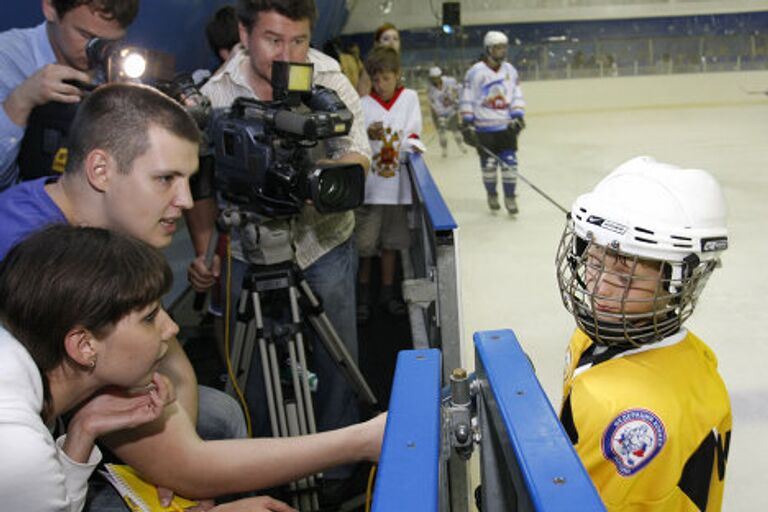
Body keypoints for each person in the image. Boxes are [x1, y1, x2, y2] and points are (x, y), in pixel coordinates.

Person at [0, 83, 385, 507]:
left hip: (54, 431)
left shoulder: (104, 223)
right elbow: (189, 463)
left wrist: (173, 456)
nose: (185, 201)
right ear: (101, 170)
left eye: (190, 179)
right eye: (165, 179)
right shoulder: (32, 257)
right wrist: (360, 441)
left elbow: (168, 351)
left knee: (218, 416)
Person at [186, 0, 374, 498]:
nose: (287, 54)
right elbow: (200, 178)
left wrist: (327, 179)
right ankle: (259, 464)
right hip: (248, 248)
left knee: (337, 360)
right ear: (244, 34)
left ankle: (339, 466)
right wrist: (204, 246)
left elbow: (357, 153)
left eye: (298, 41)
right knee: (248, 373)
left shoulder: (328, 77)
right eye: (273, 40)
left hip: (323, 244)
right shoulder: (217, 92)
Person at [0, 225, 298, 512]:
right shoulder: (20, 449)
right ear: (84, 346)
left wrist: (83, 430)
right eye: (149, 317)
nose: (172, 327)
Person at [555, 156, 731, 510]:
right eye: (592, 260)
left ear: (679, 283)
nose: (599, 287)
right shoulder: (597, 336)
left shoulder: (630, 412)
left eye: (626, 277)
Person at [0, 0, 139, 190]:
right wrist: (20, 101)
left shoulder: (118, 71)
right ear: (50, 8)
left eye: (110, 42)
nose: (97, 51)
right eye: (86, 35)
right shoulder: (7, 59)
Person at [355, 46, 423, 322]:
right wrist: (364, 132)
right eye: (376, 79)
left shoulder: (409, 98)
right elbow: (354, 142)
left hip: (396, 189)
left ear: (397, 75)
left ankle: (388, 294)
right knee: (365, 248)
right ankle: (362, 296)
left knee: (391, 245)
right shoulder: (363, 106)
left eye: (386, 78)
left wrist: (408, 142)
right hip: (371, 191)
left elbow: (413, 134)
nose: (380, 84)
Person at [459, 30, 525, 214]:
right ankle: (492, 194)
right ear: (488, 49)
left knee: (510, 163)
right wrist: (467, 121)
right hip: (484, 129)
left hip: (505, 127)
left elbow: (516, 94)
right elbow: (467, 96)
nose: (502, 51)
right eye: (498, 48)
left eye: (504, 47)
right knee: (488, 166)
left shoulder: (510, 70)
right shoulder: (475, 72)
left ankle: (510, 197)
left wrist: (518, 115)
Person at [426, 66, 466, 158]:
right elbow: (433, 104)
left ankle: (460, 145)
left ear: (440, 76)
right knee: (442, 132)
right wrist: (440, 117)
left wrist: (458, 101)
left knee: (456, 131)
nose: (435, 80)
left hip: (452, 110)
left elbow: (460, 89)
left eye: (437, 77)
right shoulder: (430, 89)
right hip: (439, 113)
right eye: (433, 78)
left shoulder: (450, 81)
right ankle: (444, 149)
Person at [356, 22, 400, 97]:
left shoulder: (396, 64)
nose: (391, 42)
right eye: (386, 39)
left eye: (395, 39)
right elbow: (362, 98)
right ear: (377, 43)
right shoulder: (371, 65)